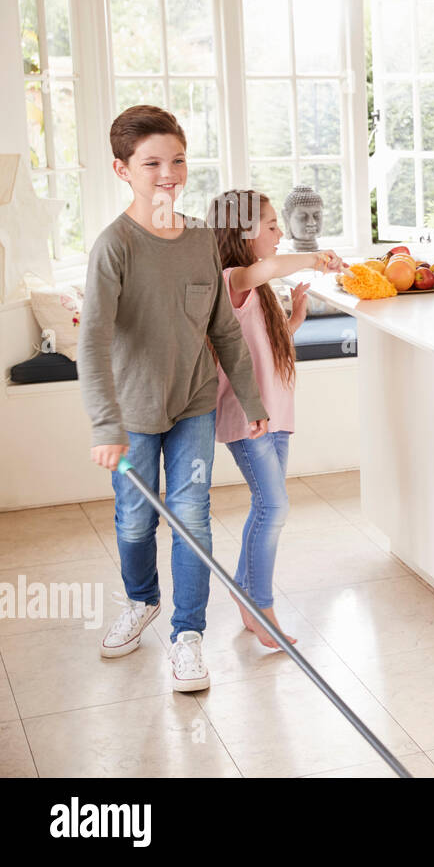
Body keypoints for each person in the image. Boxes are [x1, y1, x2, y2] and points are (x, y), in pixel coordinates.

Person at [79, 106, 269, 692]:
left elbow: (224, 330)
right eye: (153, 162)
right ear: (123, 169)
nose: (169, 173)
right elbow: (93, 339)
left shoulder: (202, 243)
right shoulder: (114, 247)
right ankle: (142, 601)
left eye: (178, 159)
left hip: (193, 402)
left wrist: (251, 398)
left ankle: (188, 636)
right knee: (135, 521)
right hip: (133, 415)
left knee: (192, 518)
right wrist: (105, 426)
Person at [208, 190, 344, 649]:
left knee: (265, 505)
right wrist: (316, 258)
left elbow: (265, 346)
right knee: (275, 506)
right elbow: (266, 267)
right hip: (248, 417)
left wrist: (298, 316)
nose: (279, 232)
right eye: (270, 225)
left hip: (275, 415)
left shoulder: (258, 290)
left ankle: (243, 590)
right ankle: (261, 606)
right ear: (244, 232)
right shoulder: (233, 278)